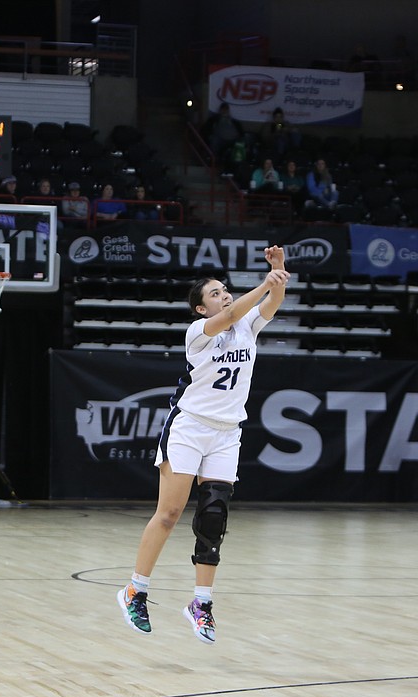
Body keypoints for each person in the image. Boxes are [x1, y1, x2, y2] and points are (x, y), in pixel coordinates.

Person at [117, 246, 290, 643]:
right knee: (169, 513)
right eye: (214, 293)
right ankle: (134, 590)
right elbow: (231, 314)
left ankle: (201, 603)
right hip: (190, 427)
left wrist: (277, 272)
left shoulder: (247, 325)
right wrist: (263, 282)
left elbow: (273, 302)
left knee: (214, 517)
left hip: (227, 432)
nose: (224, 295)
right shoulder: (198, 332)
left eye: (224, 289)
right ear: (200, 309)